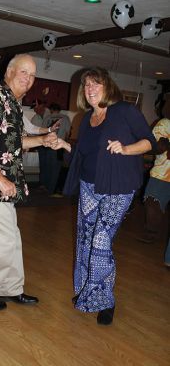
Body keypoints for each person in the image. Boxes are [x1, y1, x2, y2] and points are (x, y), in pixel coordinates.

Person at [0, 54, 70, 312]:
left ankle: (10, 288)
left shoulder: (13, 102)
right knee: (3, 243)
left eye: (32, 75)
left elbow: (16, 141)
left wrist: (43, 140)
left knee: (13, 238)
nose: (28, 79)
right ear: (9, 72)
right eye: (23, 72)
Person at [63, 67, 156, 325]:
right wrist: (64, 145)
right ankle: (85, 291)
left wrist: (126, 149)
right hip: (88, 186)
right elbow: (83, 153)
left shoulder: (125, 111)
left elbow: (150, 142)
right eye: (87, 86)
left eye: (96, 84)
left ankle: (105, 301)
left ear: (108, 87)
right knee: (84, 241)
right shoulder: (86, 119)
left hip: (118, 187)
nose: (90, 90)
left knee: (101, 243)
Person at [136, 96, 170, 252]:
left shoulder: (164, 123)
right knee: (153, 203)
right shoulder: (164, 123)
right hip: (163, 173)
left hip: (163, 174)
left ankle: (152, 232)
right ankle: (152, 232)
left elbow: (154, 146)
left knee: (153, 202)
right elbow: (154, 145)